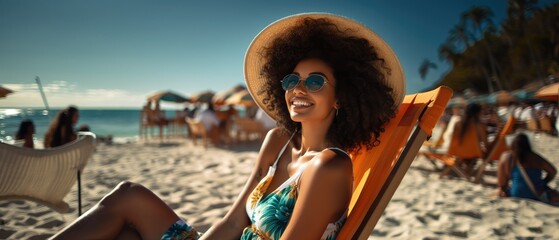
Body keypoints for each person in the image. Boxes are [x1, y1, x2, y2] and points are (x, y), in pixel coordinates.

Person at [50, 12, 404, 239]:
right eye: (292, 79)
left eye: (315, 82)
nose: (299, 88)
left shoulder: (329, 166)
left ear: (341, 98)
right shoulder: (277, 141)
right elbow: (235, 222)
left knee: (126, 213)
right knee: (127, 200)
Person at [497, 133, 559, 205]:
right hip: (536, 193)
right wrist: (544, 182)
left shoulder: (506, 157)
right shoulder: (535, 157)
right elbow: (553, 171)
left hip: (516, 194)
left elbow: (502, 184)